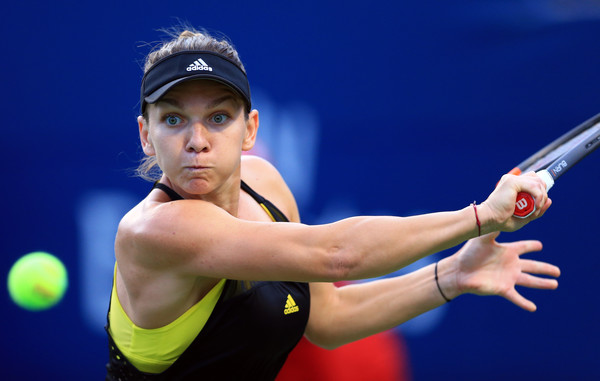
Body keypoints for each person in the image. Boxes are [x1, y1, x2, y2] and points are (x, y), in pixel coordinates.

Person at [105, 27, 560, 380]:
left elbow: (328, 319)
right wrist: (479, 218)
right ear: (147, 134)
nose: (196, 141)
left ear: (250, 130)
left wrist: (454, 274)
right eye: (173, 119)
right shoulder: (153, 232)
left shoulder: (264, 183)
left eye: (219, 117)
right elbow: (336, 255)